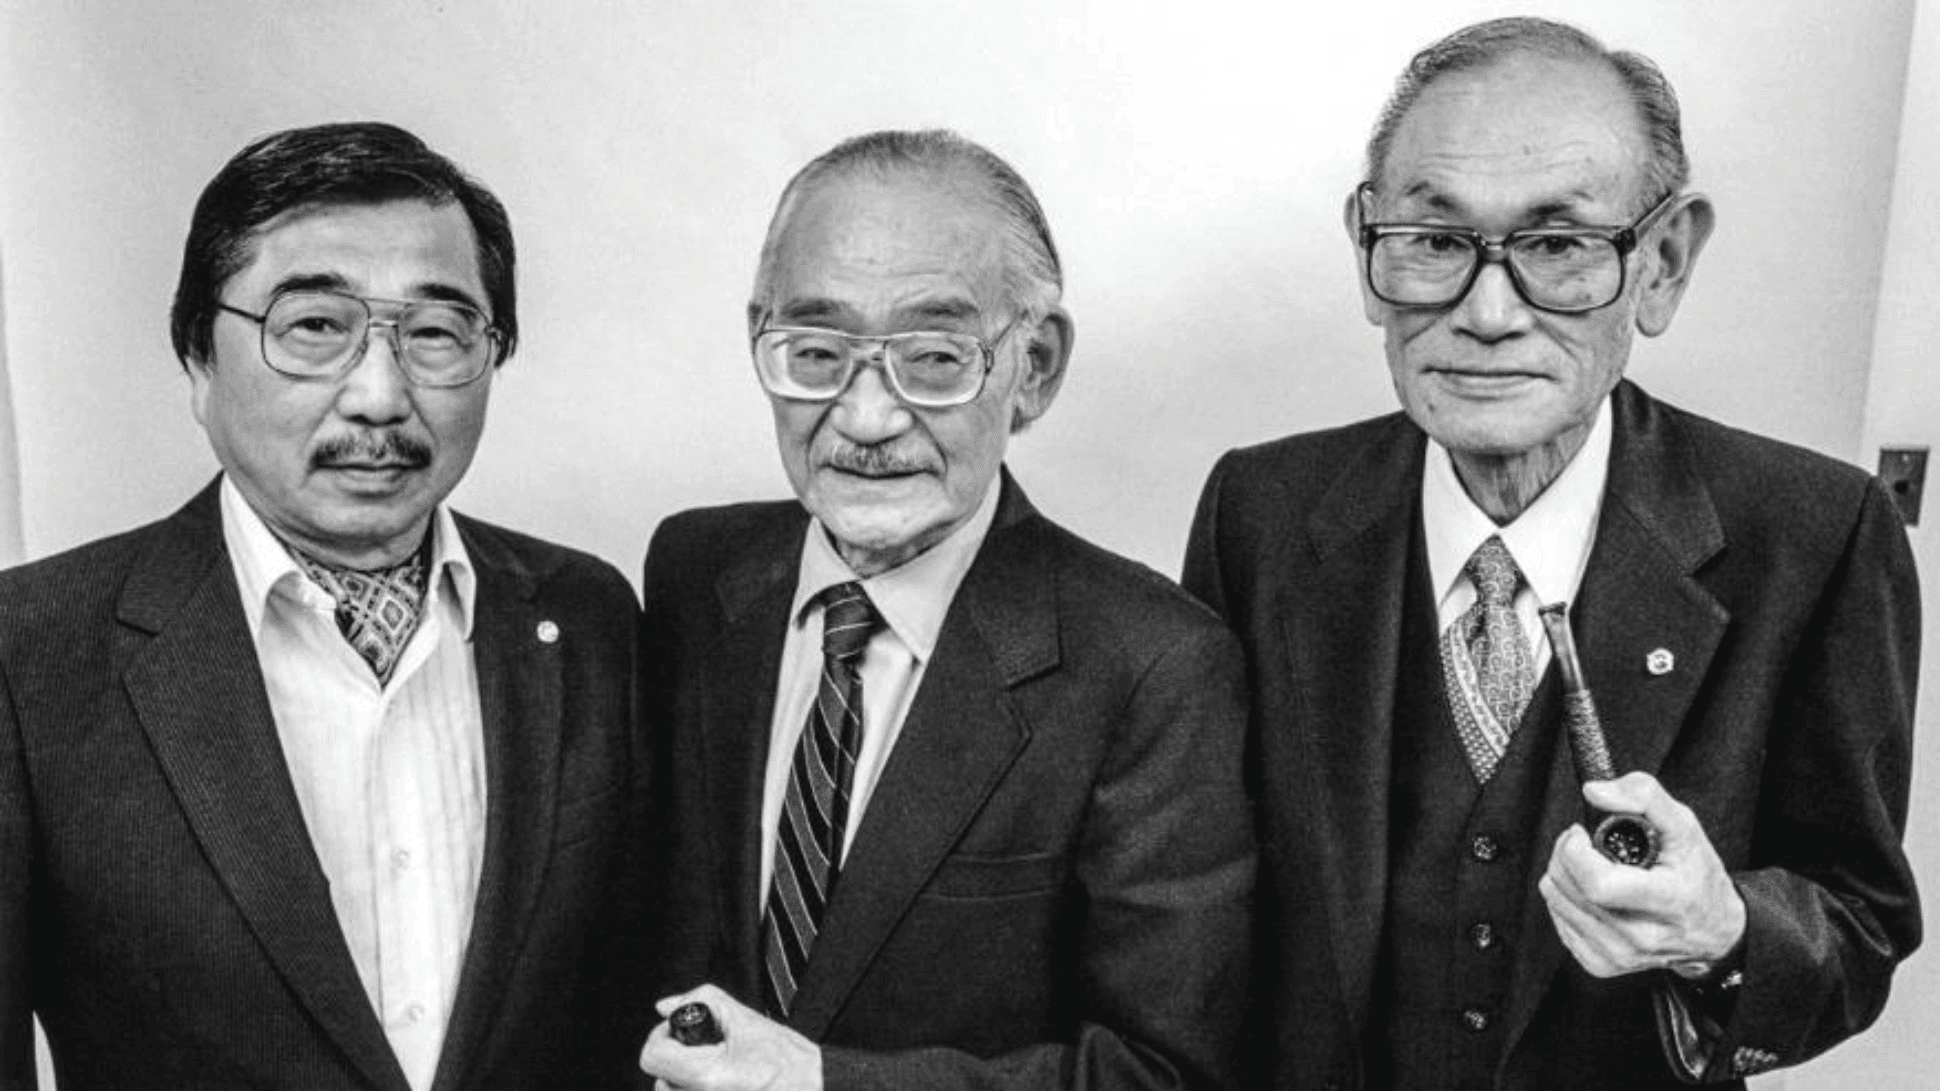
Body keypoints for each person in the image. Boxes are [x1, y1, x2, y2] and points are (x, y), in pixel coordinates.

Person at [1184, 17, 1920, 1091]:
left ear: (1659, 264)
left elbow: (1855, 925)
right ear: (1365, 254)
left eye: (1557, 246)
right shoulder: (1258, 510)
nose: (1486, 313)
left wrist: (1720, 929)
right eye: (1432, 242)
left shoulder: (1812, 534)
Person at [0, 122, 641, 1090]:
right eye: (313, 327)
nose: (379, 396)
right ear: (196, 358)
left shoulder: (584, 616)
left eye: (434, 331)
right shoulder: (31, 650)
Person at [636, 129, 1254, 1091]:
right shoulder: (694, 570)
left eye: (932, 357)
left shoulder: (1151, 663)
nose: (867, 418)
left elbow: (1162, 1072)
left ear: (1034, 366)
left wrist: (818, 1085)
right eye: (816, 350)